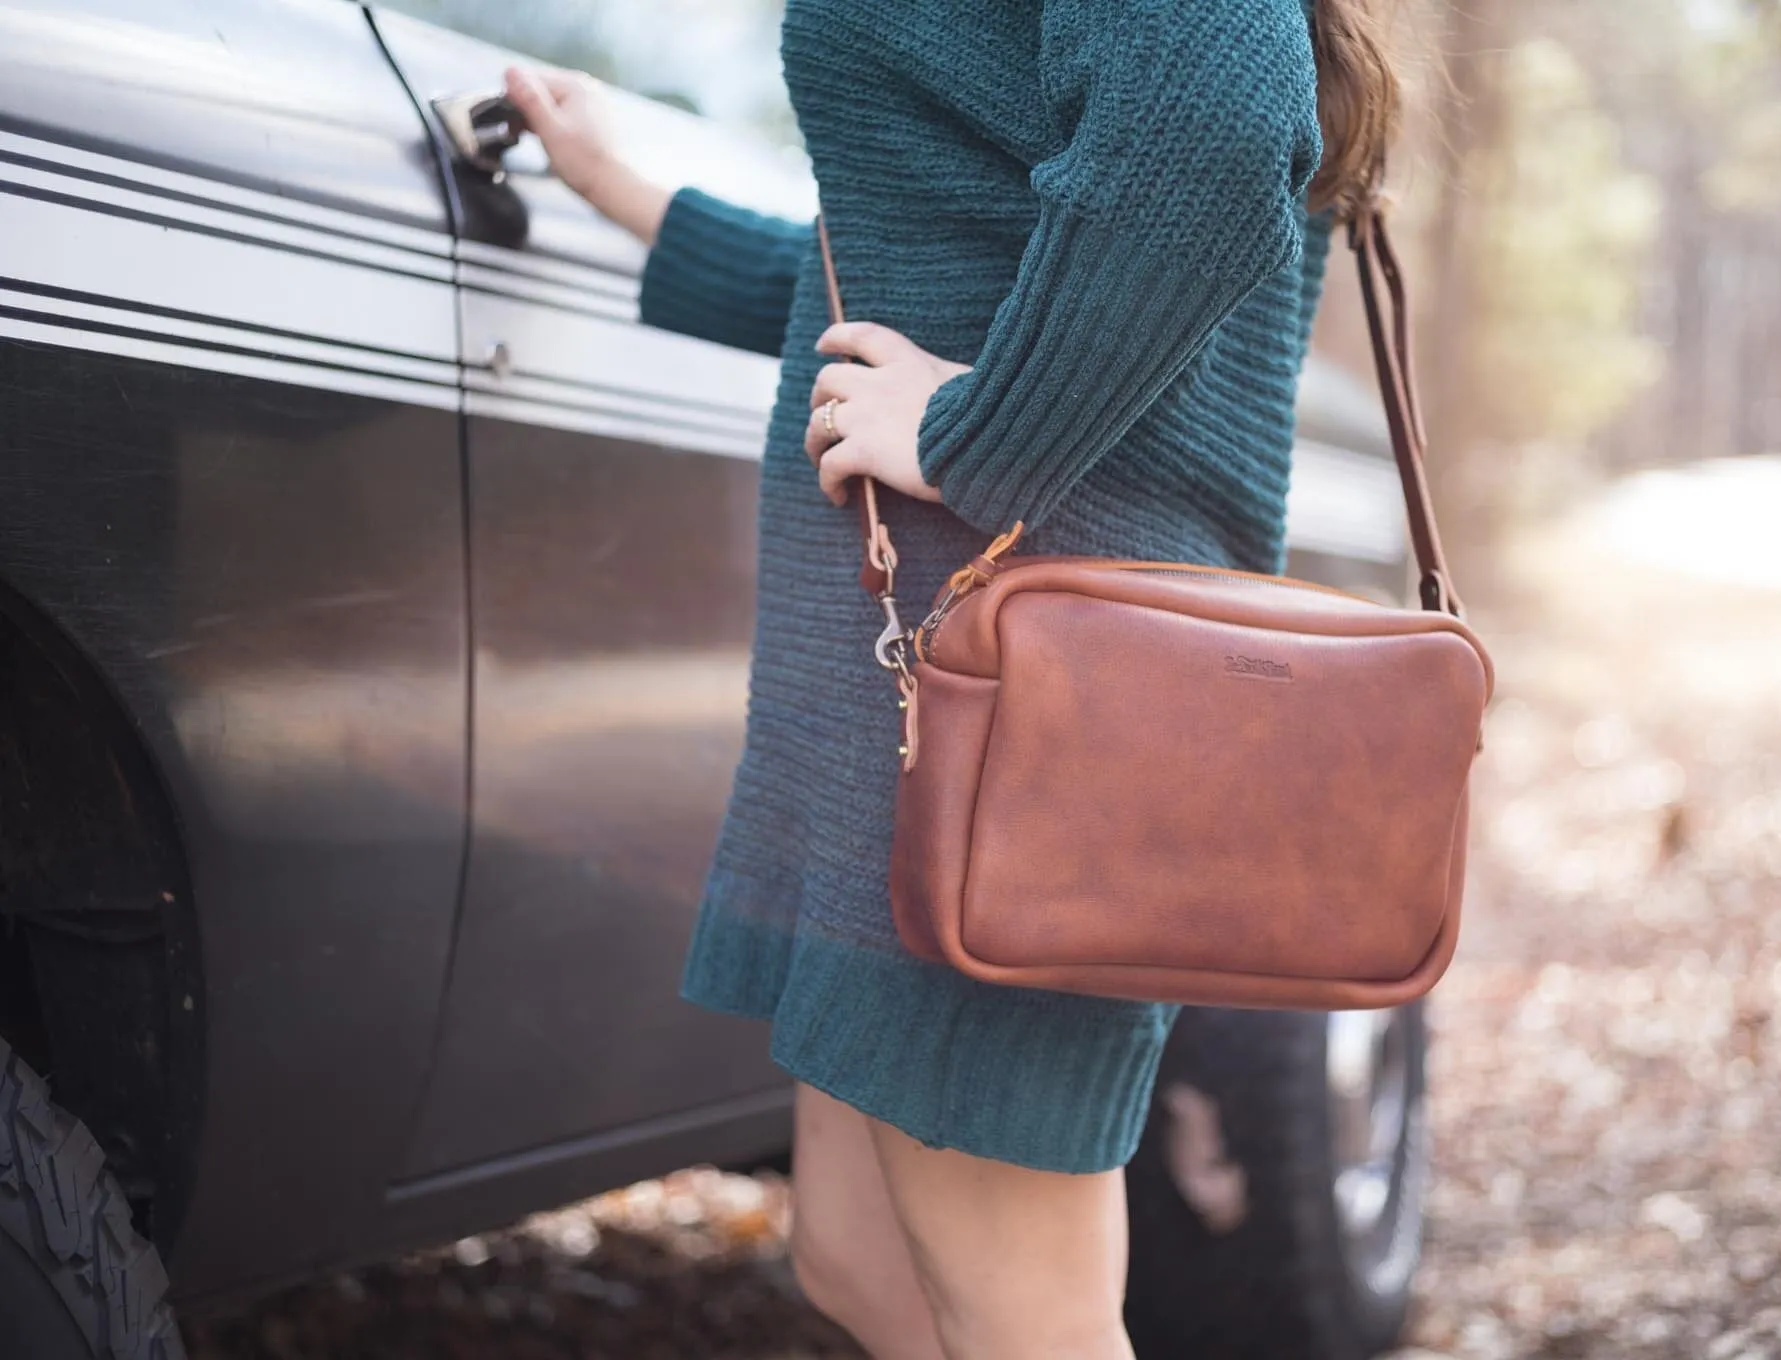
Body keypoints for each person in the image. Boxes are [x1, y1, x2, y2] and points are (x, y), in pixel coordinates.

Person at [505, 2, 1397, 1354]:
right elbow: (919, 262)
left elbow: (1210, 141)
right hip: (934, 682)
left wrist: (981, 437)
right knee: (864, 1262)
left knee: (1018, 1311)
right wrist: (627, 191)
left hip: (1021, 698)